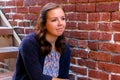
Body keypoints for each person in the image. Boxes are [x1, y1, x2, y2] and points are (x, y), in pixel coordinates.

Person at [12, 2, 71, 80]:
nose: (61, 23)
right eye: (54, 20)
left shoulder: (65, 48)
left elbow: (63, 77)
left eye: (63, 18)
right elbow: (37, 78)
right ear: (44, 23)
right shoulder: (29, 43)